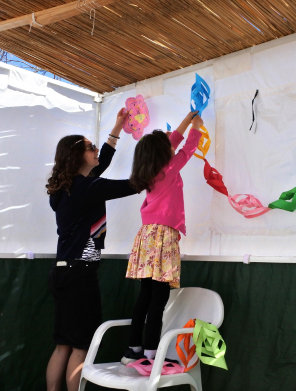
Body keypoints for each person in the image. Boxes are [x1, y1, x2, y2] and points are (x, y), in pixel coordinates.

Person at [45, 108, 137, 391]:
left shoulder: (65, 188)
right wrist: (156, 166)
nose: (96, 150)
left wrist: (118, 127)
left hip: (63, 272)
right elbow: (131, 185)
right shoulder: (87, 187)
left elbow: (101, 163)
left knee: (63, 345)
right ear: (76, 156)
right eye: (90, 147)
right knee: (81, 348)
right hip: (79, 276)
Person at [121, 111, 203, 365]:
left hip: (146, 236)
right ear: (162, 154)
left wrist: (186, 121)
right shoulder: (169, 169)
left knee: (145, 296)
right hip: (163, 236)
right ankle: (151, 353)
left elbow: (172, 143)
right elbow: (187, 148)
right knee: (159, 297)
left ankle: (133, 349)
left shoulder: (148, 173)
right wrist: (197, 128)